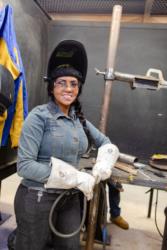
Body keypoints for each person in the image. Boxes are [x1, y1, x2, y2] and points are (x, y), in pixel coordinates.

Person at [14, 40, 119, 250]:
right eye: (62, 82)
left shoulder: (78, 119)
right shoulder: (39, 117)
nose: (68, 88)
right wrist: (75, 177)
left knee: (70, 246)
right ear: (52, 87)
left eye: (74, 84)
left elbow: (106, 144)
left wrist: (103, 165)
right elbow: (24, 166)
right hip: (37, 197)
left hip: (69, 198)